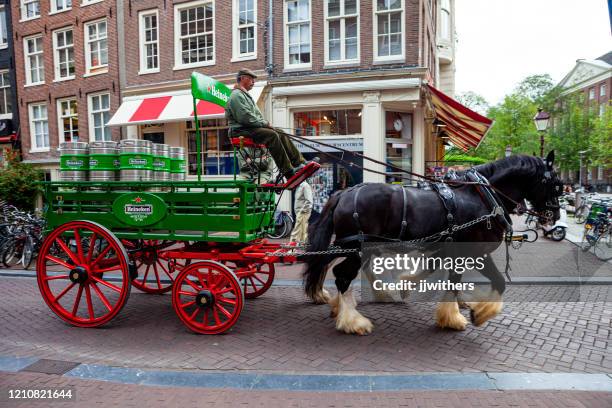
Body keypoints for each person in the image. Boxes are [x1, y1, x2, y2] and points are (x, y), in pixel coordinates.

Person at [225, 69, 313, 180]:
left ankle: (299, 163)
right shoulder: (236, 95)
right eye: (251, 79)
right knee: (272, 135)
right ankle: (288, 172)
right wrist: (265, 124)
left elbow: (253, 117)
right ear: (242, 78)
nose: (253, 82)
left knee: (280, 132)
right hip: (240, 130)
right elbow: (245, 118)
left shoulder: (244, 95)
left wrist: (265, 124)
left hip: (247, 128)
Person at [289, 180, 313, 245]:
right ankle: (302, 247)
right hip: (300, 212)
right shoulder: (299, 186)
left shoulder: (305, 186)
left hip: (303, 213)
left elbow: (309, 201)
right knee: (303, 232)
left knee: (296, 232)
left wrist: (301, 211)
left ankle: (291, 249)